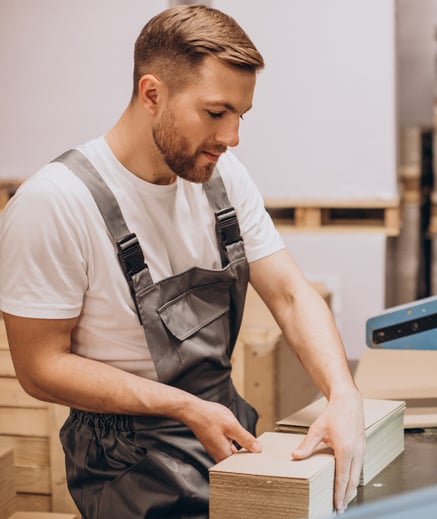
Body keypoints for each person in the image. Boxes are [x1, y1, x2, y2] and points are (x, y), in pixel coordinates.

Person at [0, 5, 365, 518]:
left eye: (241, 116)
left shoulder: (222, 177)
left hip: (222, 422)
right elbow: (39, 369)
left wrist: (342, 393)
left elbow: (289, 292)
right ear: (152, 94)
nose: (232, 137)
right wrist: (181, 406)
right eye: (216, 114)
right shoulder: (55, 203)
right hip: (126, 459)